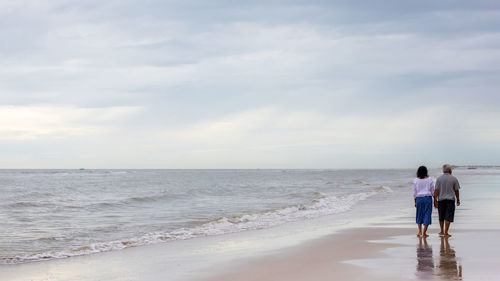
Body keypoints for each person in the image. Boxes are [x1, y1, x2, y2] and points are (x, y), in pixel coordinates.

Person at [434, 164, 461, 237]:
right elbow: (456, 190)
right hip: (450, 200)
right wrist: (458, 199)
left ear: (443, 170)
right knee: (448, 216)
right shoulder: (454, 178)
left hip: (441, 200)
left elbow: (436, 190)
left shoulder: (439, 179)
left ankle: (441, 231)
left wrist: (435, 200)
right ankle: (446, 232)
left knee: (441, 216)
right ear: (450, 170)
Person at [413, 166, 435, 237]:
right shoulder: (430, 179)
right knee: (427, 214)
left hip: (419, 198)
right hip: (427, 198)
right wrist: (435, 199)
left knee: (419, 214)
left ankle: (419, 232)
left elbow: (415, 192)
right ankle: (424, 233)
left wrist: (415, 201)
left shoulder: (416, 180)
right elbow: (432, 190)